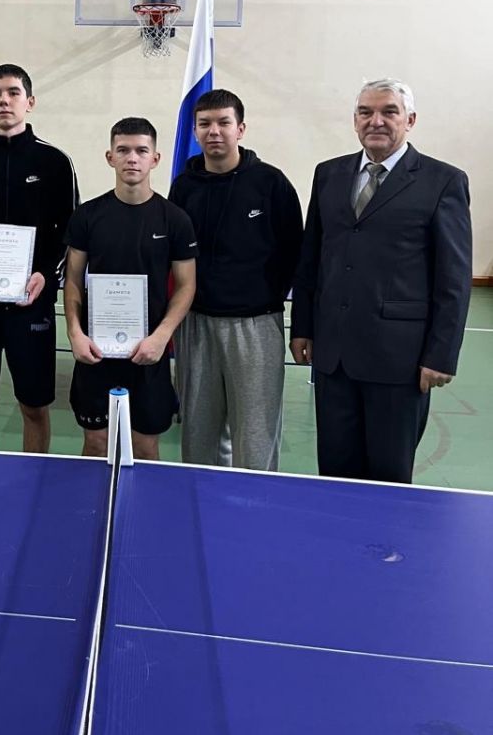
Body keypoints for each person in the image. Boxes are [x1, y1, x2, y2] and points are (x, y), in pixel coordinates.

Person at [290, 78, 472, 484]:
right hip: (334, 356)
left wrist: (441, 355)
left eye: (389, 112)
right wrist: (302, 327)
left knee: (389, 474)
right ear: (354, 120)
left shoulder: (443, 181)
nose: (376, 121)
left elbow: (454, 279)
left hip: (399, 361)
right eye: (365, 112)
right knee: (335, 470)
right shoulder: (329, 174)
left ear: (410, 120)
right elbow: (311, 258)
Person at [169, 89, 303, 471]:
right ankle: (200, 502)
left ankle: (255, 503)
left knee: (255, 438)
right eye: (205, 124)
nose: (214, 131)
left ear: (240, 129)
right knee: (198, 437)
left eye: (223, 123)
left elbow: (295, 253)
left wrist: (261, 298)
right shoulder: (184, 187)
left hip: (255, 327)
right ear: (195, 131)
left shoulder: (271, 183)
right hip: (196, 325)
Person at [0, 64, 78, 452]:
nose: (4, 100)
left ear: (30, 102)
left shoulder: (55, 162)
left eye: (13, 93)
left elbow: (70, 231)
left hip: (31, 303)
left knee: (34, 406)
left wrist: (46, 275)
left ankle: (35, 477)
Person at [64, 117, 196, 460]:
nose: (132, 158)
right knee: (96, 443)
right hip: (96, 350)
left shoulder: (175, 219)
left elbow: (186, 285)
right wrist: (75, 333)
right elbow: (73, 279)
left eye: (141, 151)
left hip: (148, 353)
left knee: (144, 446)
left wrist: (161, 337)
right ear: (110, 157)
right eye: (123, 150)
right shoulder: (87, 216)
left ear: (156, 158)